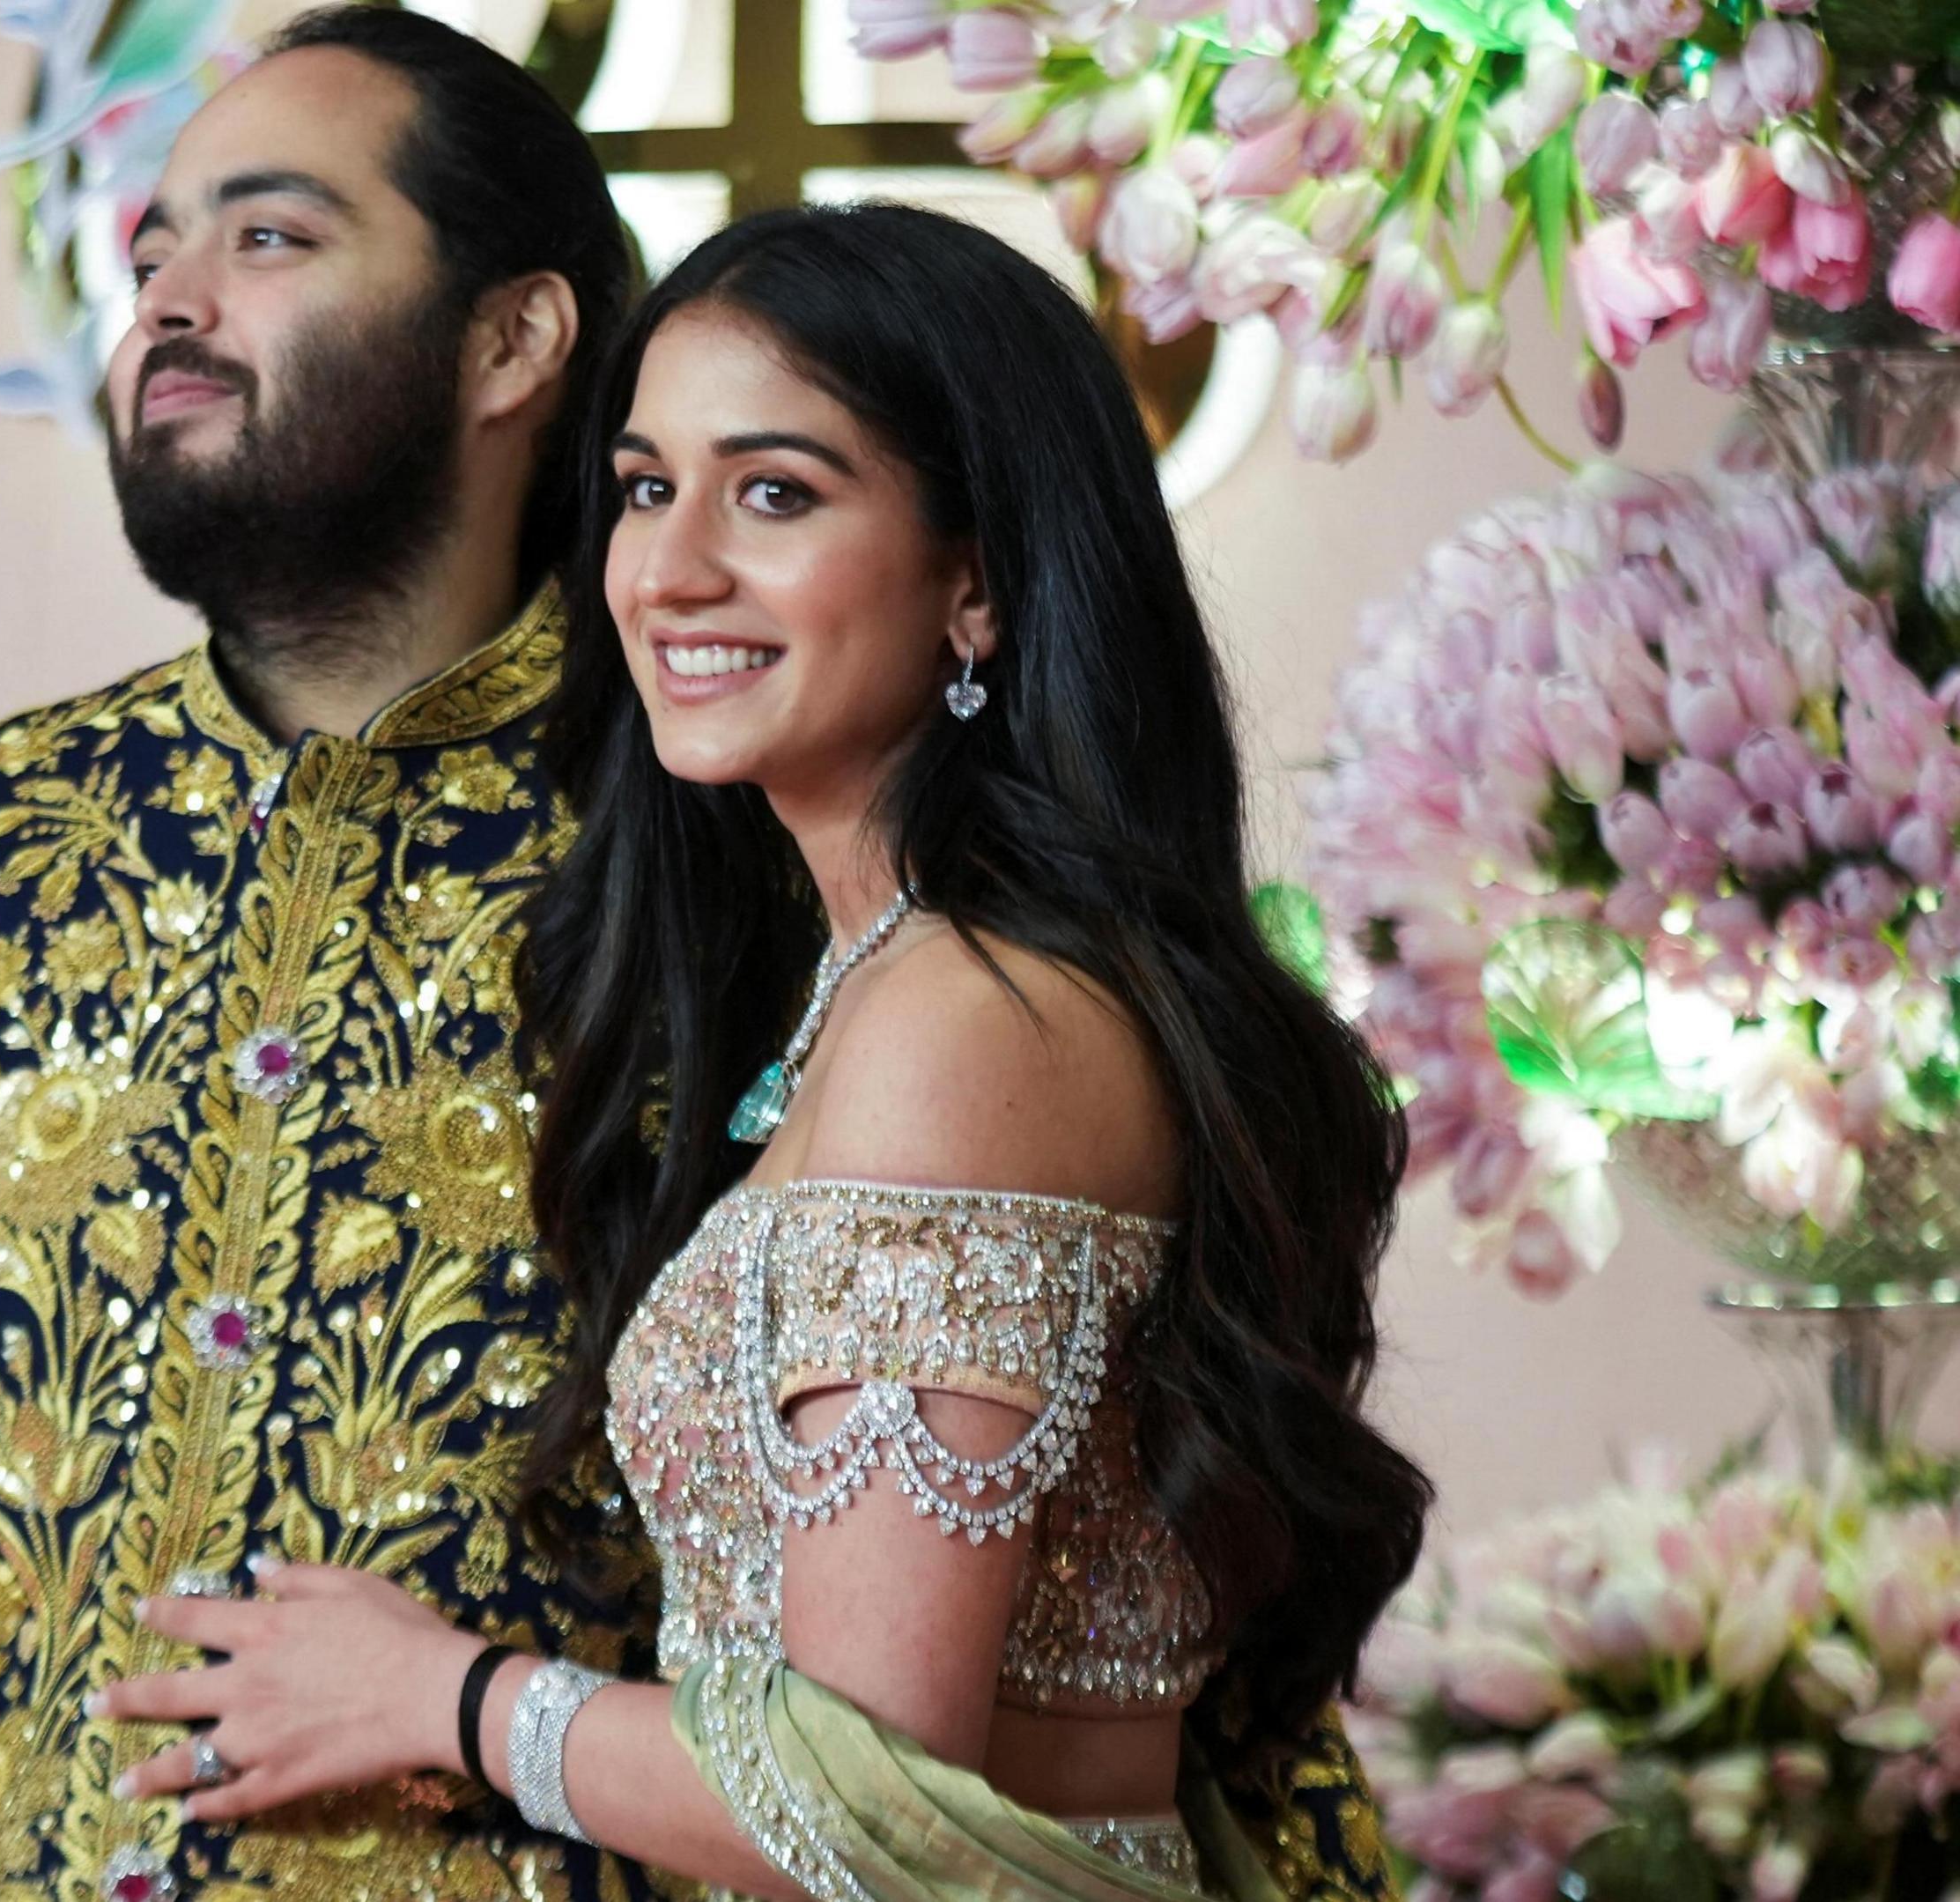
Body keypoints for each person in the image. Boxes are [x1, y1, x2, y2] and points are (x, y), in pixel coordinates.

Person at [0, 11, 1407, 1896]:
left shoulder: (740, 860)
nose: (176, 298)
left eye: (270, 238)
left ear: (515, 338)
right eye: (152, 256)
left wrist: (463, 1707)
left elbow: (1085, 1570)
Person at [87, 203, 1433, 1900]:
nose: (670, 569)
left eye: (777, 492)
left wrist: (446, 1696)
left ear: (979, 580)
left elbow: (869, 1790)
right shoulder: (915, 980)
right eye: (647, 487)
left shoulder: (968, 1013)